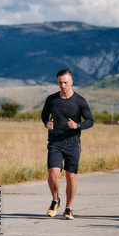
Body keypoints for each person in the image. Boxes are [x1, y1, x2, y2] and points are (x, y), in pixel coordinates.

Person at [41, 69, 94, 220]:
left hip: (72, 143)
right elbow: (44, 114)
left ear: (71, 82)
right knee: (52, 175)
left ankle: (68, 208)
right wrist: (47, 124)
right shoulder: (51, 99)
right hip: (55, 142)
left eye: (65, 82)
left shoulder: (80, 101)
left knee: (71, 176)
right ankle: (55, 200)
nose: (63, 85)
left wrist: (77, 126)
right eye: (60, 82)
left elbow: (90, 121)